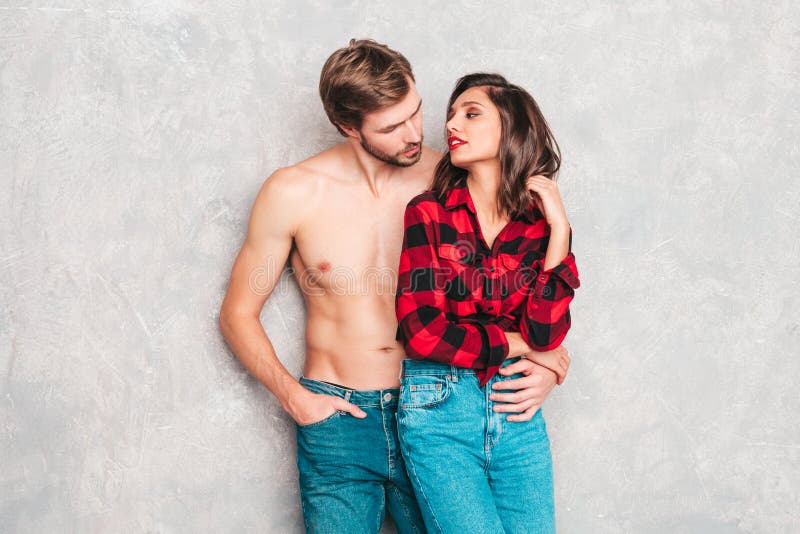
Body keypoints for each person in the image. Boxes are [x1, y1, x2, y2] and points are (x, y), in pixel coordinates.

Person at [219, 40, 570, 534]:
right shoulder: (293, 192)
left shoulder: (454, 177)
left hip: (438, 407)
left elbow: (516, 276)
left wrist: (547, 363)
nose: (414, 134)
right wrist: (295, 397)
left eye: (416, 113)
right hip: (339, 416)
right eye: (390, 127)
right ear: (348, 127)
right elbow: (237, 313)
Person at [395, 72, 580, 534]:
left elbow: (546, 334)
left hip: (517, 409)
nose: (452, 123)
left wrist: (560, 231)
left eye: (471, 113)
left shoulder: (539, 225)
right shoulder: (429, 211)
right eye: (451, 114)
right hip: (439, 411)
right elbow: (422, 332)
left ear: (511, 129)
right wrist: (522, 346)